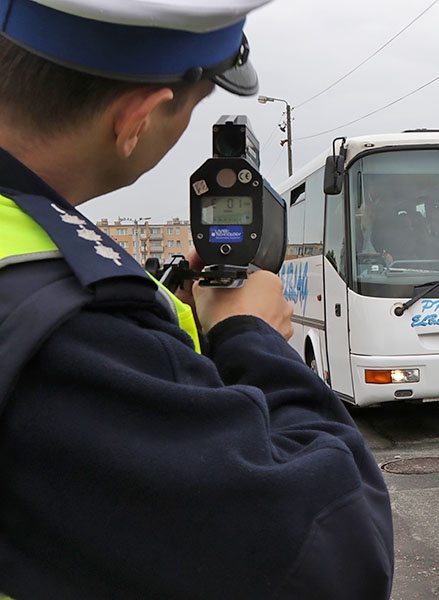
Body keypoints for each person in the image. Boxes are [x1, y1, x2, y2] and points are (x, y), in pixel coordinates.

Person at [0, 2, 393, 598]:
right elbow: (338, 552)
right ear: (139, 117)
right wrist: (250, 337)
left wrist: (165, 300)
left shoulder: (40, 266)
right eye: (194, 104)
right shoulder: (67, 336)